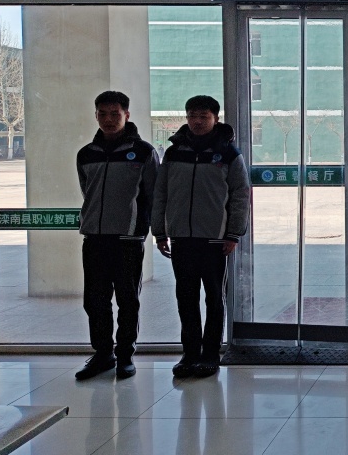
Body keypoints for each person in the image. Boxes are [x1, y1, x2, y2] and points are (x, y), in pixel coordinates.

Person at [151, 96, 250, 378]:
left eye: (203, 116)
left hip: (215, 240)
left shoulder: (228, 154)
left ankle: (210, 354)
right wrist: (160, 231)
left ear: (216, 119)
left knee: (214, 298)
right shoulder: (174, 153)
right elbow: (161, 193)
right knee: (186, 297)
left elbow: (241, 195)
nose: (197, 121)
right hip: (181, 238)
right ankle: (190, 354)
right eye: (192, 116)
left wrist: (233, 233)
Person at [74, 91, 160, 381]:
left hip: (128, 240)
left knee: (127, 300)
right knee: (95, 301)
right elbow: (88, 191)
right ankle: (103, 354)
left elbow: (153, 195)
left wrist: (148, 229)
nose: (108, 119)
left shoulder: (144, 152)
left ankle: (125, 356)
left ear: (127, 115)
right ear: (96, 115)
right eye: (103, 114)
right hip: (94, 239)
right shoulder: (86, 154)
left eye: (115, 114)